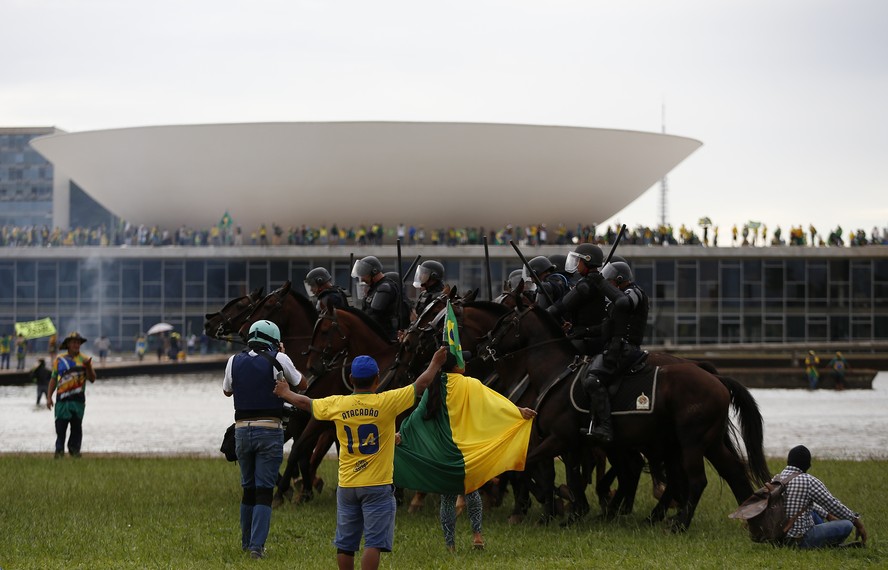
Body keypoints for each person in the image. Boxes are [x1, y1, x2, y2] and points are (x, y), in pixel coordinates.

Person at [273, 346, 449, 570]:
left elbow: (306, 403)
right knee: (373, 543)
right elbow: (421, 384)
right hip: (377, 485)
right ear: (377, 379)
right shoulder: (387, 402)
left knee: (346, 544)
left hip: (347, 486)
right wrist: (435, 362)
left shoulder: (338, 404)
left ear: (350, 379)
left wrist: (286, 392)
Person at [395, 350, 536, 552]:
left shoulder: (434, 385)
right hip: (468, 452)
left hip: (443, 454)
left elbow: (417, 415)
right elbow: (495, 403)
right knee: (472, 492)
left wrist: (401, 434)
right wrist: (518, 412)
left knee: (448, 498)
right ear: (457, 365)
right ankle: (477, 536)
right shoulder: (470, 384)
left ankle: (450, 544)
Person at [222, 319, 306, 560]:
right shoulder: (279, 358)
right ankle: (257, 548)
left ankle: (245, 541)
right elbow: (302, 383)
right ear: (274, 340)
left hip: (241, 431)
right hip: (269, 430)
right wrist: (283, 358)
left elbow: (227, 391)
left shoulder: (233, 360)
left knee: (248, 489)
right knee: (264, 492)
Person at [579, 261, 649, 442]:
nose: (607, 284)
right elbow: (604, 327)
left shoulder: (634, 292)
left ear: (619, 280)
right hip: (614, 348)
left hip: (627, 349)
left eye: (609, 281)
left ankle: (606, 428)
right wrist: (581, 332)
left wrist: (600, 282)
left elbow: (625, 302)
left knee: (593, 380)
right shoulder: (615, 300)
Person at [778, 445, 867, 549]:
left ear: (788, 461)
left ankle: (825, 540)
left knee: (812, 510)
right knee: (847, 524)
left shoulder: (777, 479)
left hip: (780, 537)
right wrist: (858, 524)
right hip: (800, 540)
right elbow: (833, 504)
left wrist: (827, 515)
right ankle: (827, 544)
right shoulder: (808, 481)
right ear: (808, 465)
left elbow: (807, 503)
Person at [547, 243, 608, 356]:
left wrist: (543, 314)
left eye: (579, 260)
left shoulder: (585, 284)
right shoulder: (601, 281)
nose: (577, 264)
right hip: (598, 339)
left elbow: (558, 309)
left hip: (586, 341)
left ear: (587, 260)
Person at [46, 332, 96, 458]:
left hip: (78, 401)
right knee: (60, 428)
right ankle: (59, 452)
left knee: (76, 429)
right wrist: (48, 397)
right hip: (62, 401)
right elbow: (53, 379)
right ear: (68, 344)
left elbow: (92, 379)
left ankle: (75, 452)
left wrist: (88, 367)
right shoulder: (59, 360)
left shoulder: (85, 360)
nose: (76, 344)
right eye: (74, 342)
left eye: (78, 342)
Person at [352, 256, 402, 341]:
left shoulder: (384, 287)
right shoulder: (373, 288)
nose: (362, 278)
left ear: (374, 271)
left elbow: (373, 315)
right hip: (373, 334)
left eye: (364, 273)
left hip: (383, 337)